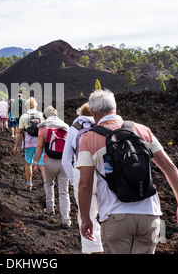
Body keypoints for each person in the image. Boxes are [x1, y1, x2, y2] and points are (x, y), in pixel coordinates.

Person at [77, 89, 178, 254]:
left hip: (115, 216)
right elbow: (170, 167)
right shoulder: (142, 130)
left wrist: (85, 219)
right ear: (115, 109)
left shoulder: (89, 139)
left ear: (94, 113)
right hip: (150, 215)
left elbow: (85, 185)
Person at [61, 102, 103, 253]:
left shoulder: (74, 129)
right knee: (106, 217)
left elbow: (65, 161)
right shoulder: (101, 126)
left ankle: (91, 250)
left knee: (85, 217)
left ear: (79, 114)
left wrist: (74, 180)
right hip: (103, 174)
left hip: (81, 175)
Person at [34, 106, 71, 227]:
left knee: (49, 183)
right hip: (64, 162)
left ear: (45, 116)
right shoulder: (65, 126)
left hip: (49, 161)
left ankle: (50, 208)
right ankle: (66, 219)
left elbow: (39, 146)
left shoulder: (44, 127)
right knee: (64, 191)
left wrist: (36, 163)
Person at [13, 97, 45, 191]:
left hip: (28, 143)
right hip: (40, 142)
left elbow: (19, 133)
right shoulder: (41, 115)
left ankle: (29, 183)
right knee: (41, 164)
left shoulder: (24, 116)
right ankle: (47, 184)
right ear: (36, 105)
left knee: (28, 163)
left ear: (26, 106)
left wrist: (15, 146)